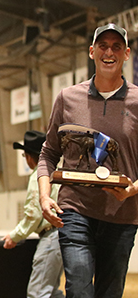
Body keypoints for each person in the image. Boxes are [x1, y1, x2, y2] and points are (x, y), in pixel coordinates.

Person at [38, 23, 138, 298]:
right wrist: (45, 196)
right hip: (75, 209)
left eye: (116, 46)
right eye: (103, 46)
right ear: (91, 52)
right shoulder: (67, 98)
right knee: (79, 289)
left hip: (122, 216)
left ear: (127, 53)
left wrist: (132, 189)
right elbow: (48, 153)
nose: (109, 52)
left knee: (110, 291)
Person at [2, 130, 64, 298]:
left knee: (37, 293)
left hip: (51, 236)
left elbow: (34, 214)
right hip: (62, 235)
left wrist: (15, 236)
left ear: (29, 156)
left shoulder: (38, 176)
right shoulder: (57, 174)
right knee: (51, 292)